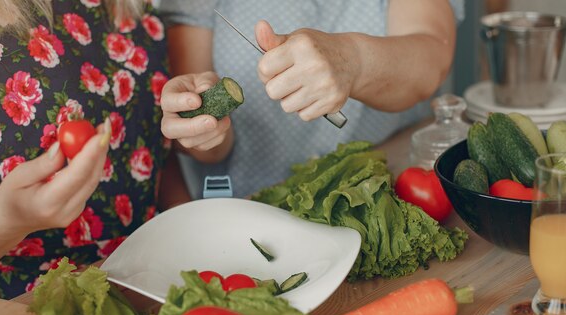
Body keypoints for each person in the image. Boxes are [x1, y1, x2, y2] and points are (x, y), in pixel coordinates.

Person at [0, 0, 196, 306]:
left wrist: (197, 246)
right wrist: (8, 219)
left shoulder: (136, 12)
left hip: (150, 287)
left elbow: (157, 167)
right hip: (30, 310)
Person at [157, 0, 464, 199]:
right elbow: (205, 149)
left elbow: (431, 58)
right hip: (248, 213)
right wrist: (204, 128)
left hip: (379, 195)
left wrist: (352, 60)